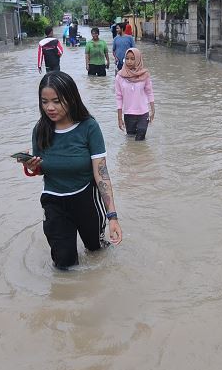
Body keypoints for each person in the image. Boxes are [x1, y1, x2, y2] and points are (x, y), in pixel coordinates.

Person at [19, 72, 123, 269]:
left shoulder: (88, 127)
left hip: (86, 200)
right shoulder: (40, 129)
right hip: (53, 201)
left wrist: (113, 217)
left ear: (71, 98)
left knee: (97, 252)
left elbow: (101, 173)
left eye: (57, 101)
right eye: (44, 101)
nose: (50, 107)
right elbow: (43, 169)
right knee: (63, 262)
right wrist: (31, 166)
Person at [115, 48, 155, 141]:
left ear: (138, 59)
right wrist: (119, 118)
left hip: (143, 113)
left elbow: (149, 92)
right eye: (127, 58)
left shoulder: (145, 75)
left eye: (132, 59)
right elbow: (119, 97)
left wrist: (153, 110)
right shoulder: (120, 77)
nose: (129, 61)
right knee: (130, 140)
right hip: (128, 114)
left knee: (140, 139)